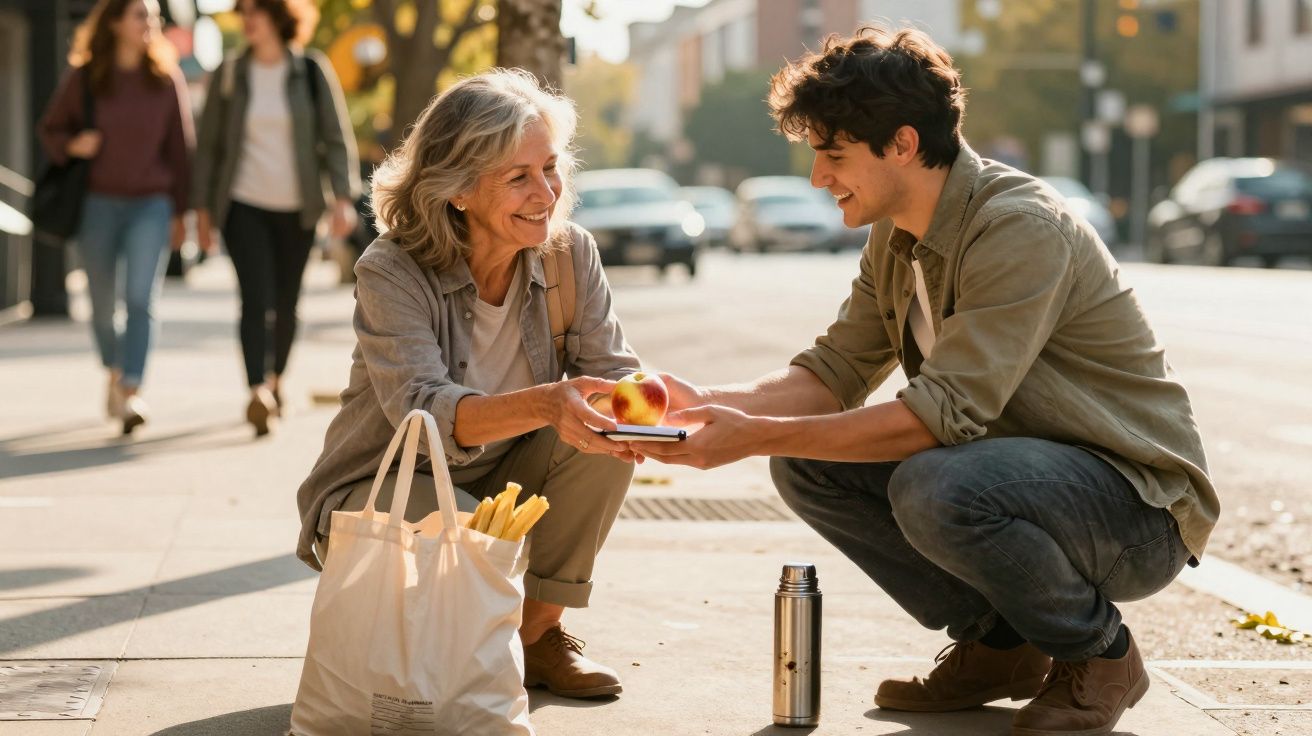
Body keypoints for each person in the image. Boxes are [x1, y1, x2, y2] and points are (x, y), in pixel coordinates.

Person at [634, 27, 1218, 736]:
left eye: (834, 154)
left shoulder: (1019, 227)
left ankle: (1102, 654)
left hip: (1135, 508)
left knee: (934, 485)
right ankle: (1001, 647)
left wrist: (750, 436)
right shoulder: (898, 232)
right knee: (805, 458)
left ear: (903, 145)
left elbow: (936, 418)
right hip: (1023, 483)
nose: (819, 178)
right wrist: (698, 403)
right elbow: (834, 371)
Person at [296, 69, 641, 699]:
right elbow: (420, 413)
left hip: (505, 473)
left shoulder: (570, 254)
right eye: (519, 177)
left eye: (551, 167)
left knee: (606, 439)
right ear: (458, 190)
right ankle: (483, 646)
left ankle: (533, 638)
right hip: (390, 483)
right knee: (455, 549)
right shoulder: (391, 269)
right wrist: (547, 403)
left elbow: (613, 373)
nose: (547, 191)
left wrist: (651, 403)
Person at [192, 0, 360, 437]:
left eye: (255, 11)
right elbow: (208, 146)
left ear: (278, 17)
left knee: (287, 303)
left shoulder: (309, 70)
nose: (247, 19)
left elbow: (335, 137)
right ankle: (256, 391)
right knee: (255, 297)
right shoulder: (231, 73)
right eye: (242, 11)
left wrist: (343, 197)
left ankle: (276, 379)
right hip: (242, 204)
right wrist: (204, 211)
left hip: (299, 207)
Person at [38, 0, 193, 435]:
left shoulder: (165, 80)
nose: (150, 23)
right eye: (140, 15)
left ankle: (130, 390)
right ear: (115, 23)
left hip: (151, 203)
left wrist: (183, 212)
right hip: (98, 205)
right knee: (103, 307)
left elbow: (181, 152)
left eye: (153, 16)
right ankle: (113, 369)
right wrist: (73, 146)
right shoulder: (87, 77)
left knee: (141, 299)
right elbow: (51, 129)